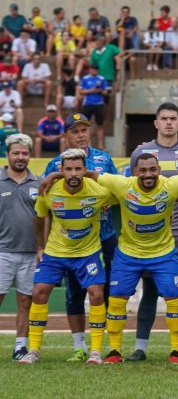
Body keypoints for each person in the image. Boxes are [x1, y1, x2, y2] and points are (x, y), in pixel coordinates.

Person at [42, 153, 178, 364]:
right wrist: (55, 175)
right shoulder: (121, 184)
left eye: (152, 169)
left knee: (175, 299)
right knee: (116, 300)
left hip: (163, 254)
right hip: (128, 255)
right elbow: (89, 174)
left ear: (159, 170)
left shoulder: (172, 184)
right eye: (143, 170)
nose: (148, 174)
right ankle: (114, 351)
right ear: (134, 172)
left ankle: (176, 351)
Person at [124, 103, 178, 361]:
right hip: (152, 235)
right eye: (164, 119)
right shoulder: (140, 152)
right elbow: (132, 189)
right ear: (156, 123)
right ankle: (140, 347)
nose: (169, 123)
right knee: (148, 290)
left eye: (173, 119)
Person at [19, 149, 113, 365]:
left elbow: (124, 195)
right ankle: (33, 350)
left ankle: (96, 352)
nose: (73, 174)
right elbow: (39, 216)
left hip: (88, 252)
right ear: (60, 170)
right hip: (56, 252)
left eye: (78, 169)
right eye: (68, 169)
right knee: (39, 292)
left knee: (97, 294)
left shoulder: (100, 191)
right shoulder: (49, 190)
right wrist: (40, 247)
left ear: (85, 170)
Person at [40, 114, 119, 362]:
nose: (82, 135)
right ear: (65, 136)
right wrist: (43, 245)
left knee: (105, 290)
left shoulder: (104, 159)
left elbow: (119, 191)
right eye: (75, 131)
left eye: (85, 130)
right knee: (75, 292)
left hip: (105, 235)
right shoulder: (54, 164)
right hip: (72, 240)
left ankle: (105, 345)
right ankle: (79, 345)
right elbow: (46, 208)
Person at [0, 134, 38, 362]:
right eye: (16, 153)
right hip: (2, 251)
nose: (20, 157)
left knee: (26, 301)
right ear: (8, 154)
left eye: (25, 153)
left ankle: (20, 347)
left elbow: (45, 217)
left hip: (31, 252)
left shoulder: (38, 182)